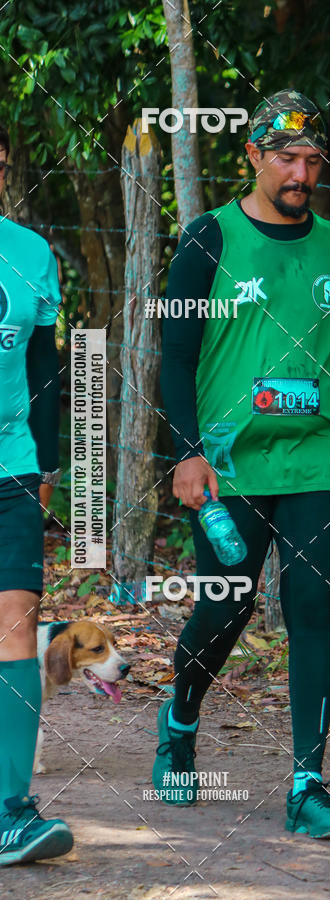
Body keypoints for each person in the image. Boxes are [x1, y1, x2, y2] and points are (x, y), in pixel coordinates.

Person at [154, 90, 330, 839]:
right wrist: (184, 451)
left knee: (312, 611)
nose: (300, 172)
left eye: (312, 160)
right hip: (228, 462)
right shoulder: (207, 239)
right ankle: (181, 720)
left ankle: (308, 787)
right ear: (252, 155)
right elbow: (175, 358)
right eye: (286, 157)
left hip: (317, 457)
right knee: (228, 605)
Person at [0, 123, 73, 864]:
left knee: (15, 631)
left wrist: (47, 464)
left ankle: (10, 814)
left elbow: (47, 365)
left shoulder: (29, 252)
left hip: (11, 469)